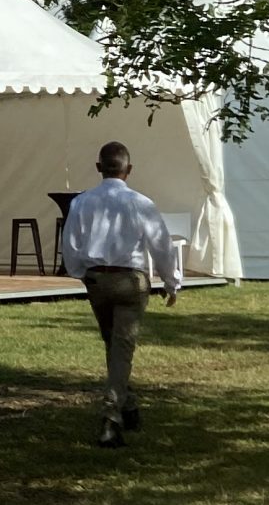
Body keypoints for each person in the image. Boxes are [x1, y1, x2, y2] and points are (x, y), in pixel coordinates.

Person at [58, 140, 182, 446]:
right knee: (122, 347)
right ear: (129, 170)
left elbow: (70, 244)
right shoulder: (141, 203)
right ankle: (112, 415)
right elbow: (162, 246)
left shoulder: (82, 202)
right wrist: (171, 281)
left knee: (114, 344)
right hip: (131, 280)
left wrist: (81, 273)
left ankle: (129, 405)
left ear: (99, 168)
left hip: (98, 280)